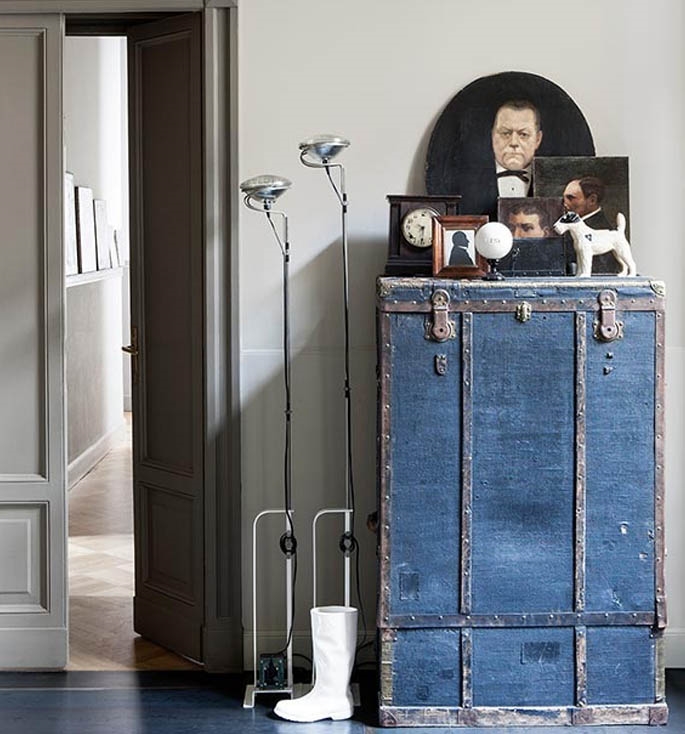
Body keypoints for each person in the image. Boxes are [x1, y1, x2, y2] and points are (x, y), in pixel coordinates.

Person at [562, 175, 618, 273]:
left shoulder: (601, 228)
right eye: (564, 198)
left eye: (571, 198)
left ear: (592, 200)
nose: (564, 204)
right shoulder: (575, 225)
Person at [491, 100, 543, 198]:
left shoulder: (552, 182)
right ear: (493, 136)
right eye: (505, 133)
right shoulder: (468, 179)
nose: (513, 142)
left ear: (537, 139)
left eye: (523, 134)